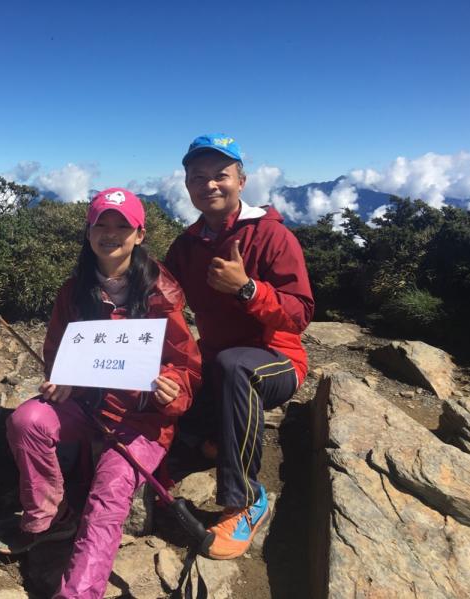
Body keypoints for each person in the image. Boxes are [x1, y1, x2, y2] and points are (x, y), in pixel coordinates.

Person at [0, 188, 202, 598]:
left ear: (140, 235)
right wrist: (62, 379)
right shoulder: (74, 291)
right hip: (86, 406)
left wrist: (172, 390)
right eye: (101, 224)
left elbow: (187, 366)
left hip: (142, 421)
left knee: (107, 497)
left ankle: (79, 592)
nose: (110, 233)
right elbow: (57, 352)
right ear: (88, 232)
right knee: (27, 421)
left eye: (122, 226)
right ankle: (50, 518)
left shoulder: (160, 294)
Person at [164, 134, 314, 560]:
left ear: (241, 182)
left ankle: (245, 500)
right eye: (198, 177)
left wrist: (247, 289)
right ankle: (211, 442)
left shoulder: (272, 236)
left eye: (221, 175)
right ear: (188, 185)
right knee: (177, 388)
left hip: (277, 360)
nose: (209, 184)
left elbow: (300, 314)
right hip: (216, 361)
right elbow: (161, 297)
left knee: (235, 367)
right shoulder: (187, 245)